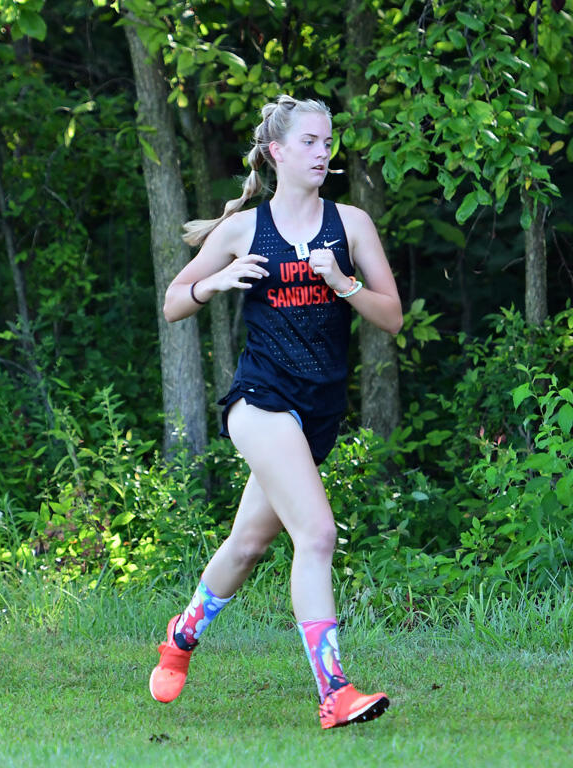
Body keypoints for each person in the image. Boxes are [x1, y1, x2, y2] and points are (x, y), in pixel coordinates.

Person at [148, 95, 403, 729]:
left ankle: (181, 635)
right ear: (277, 152)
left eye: (328, 142)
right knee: (316, 535)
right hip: (260, 402)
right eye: (310, 142)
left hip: (318, 412)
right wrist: (213, 283)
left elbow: (392, 317)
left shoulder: (351, 225)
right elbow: (174, 302)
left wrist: (343, 283)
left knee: (246, 545)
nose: (323, 153)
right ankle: (334, 691)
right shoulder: (245, 229)